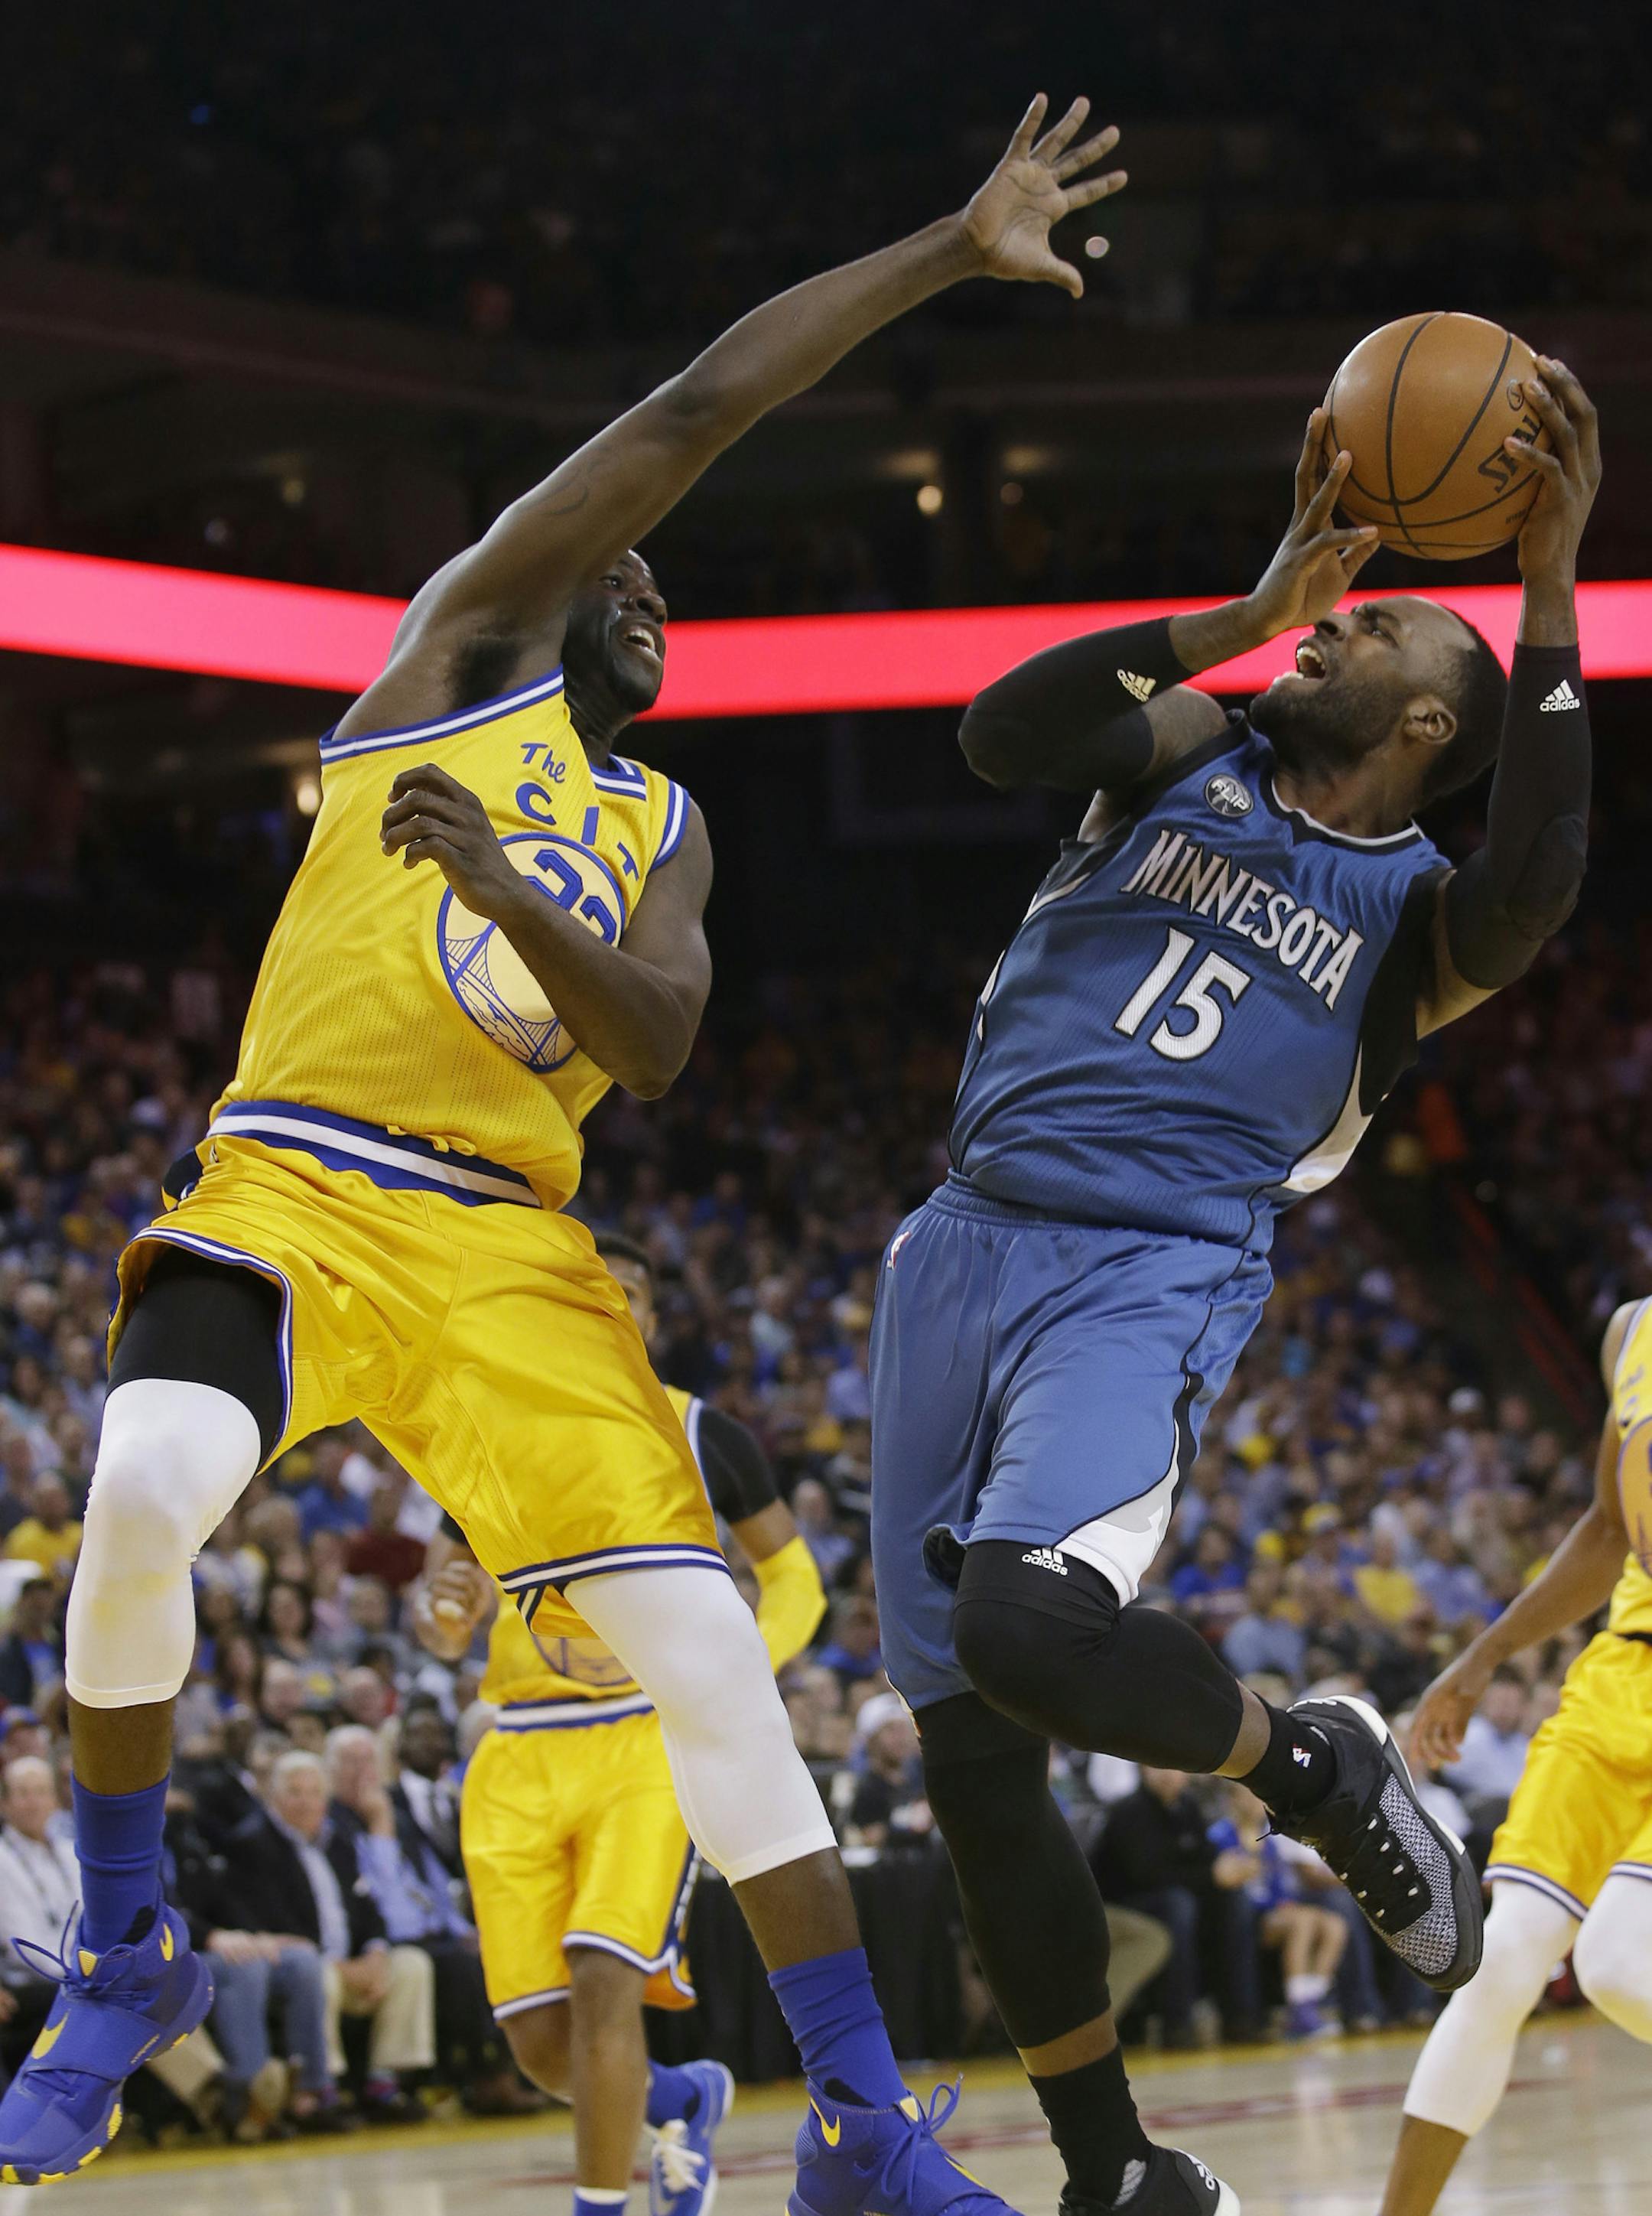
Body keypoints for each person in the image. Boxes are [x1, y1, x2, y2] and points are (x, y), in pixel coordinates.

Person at [0, 94, 1126, 2205]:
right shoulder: (454, 664)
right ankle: (134, 1940)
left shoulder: (667, 823)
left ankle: (868, 2127)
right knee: (143, 1486)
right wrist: (950, 247)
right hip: (300, 1175)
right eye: (630, 560)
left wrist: (519, 903)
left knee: (711, 1655)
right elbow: (702, 400)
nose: (653, 586)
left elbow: (665, 1041)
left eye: (665, 589)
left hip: (510, 1247)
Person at [870, 356, 1602, 2216]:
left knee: (1031, 1631)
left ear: (1433, 711)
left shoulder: (1416, 919)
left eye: (1362, 629)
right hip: (954, 1241)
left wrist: (1544, 589)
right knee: (966, 1752)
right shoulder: (1189, 747)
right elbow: (992, 735)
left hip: (1147, 1265)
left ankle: (1314, 1762)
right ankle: (1111, 2162)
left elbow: (1539, 877)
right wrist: (1243, 615)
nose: (1327, 627)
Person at [414, 1228, 826, 2216]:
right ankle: (681, 2099)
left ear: (644, 1315)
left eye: (628, 1292)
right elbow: (445, 1616)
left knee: (606, 1980)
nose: (610, 1305)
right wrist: (442, 1614)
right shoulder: (490, 1427)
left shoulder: (700, 1432)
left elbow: (796, 1577)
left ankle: (601, 2205)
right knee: (542, 2044)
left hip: (643, 1734)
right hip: (514, 1749)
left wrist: (727, 1670)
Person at [1376, 1301, 1652, 2215]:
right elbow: (1610, 1529)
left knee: (1617, 1958)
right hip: (1619, 1677)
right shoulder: (1632, 1330)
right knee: (1499, 1963)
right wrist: (1482, 1655)